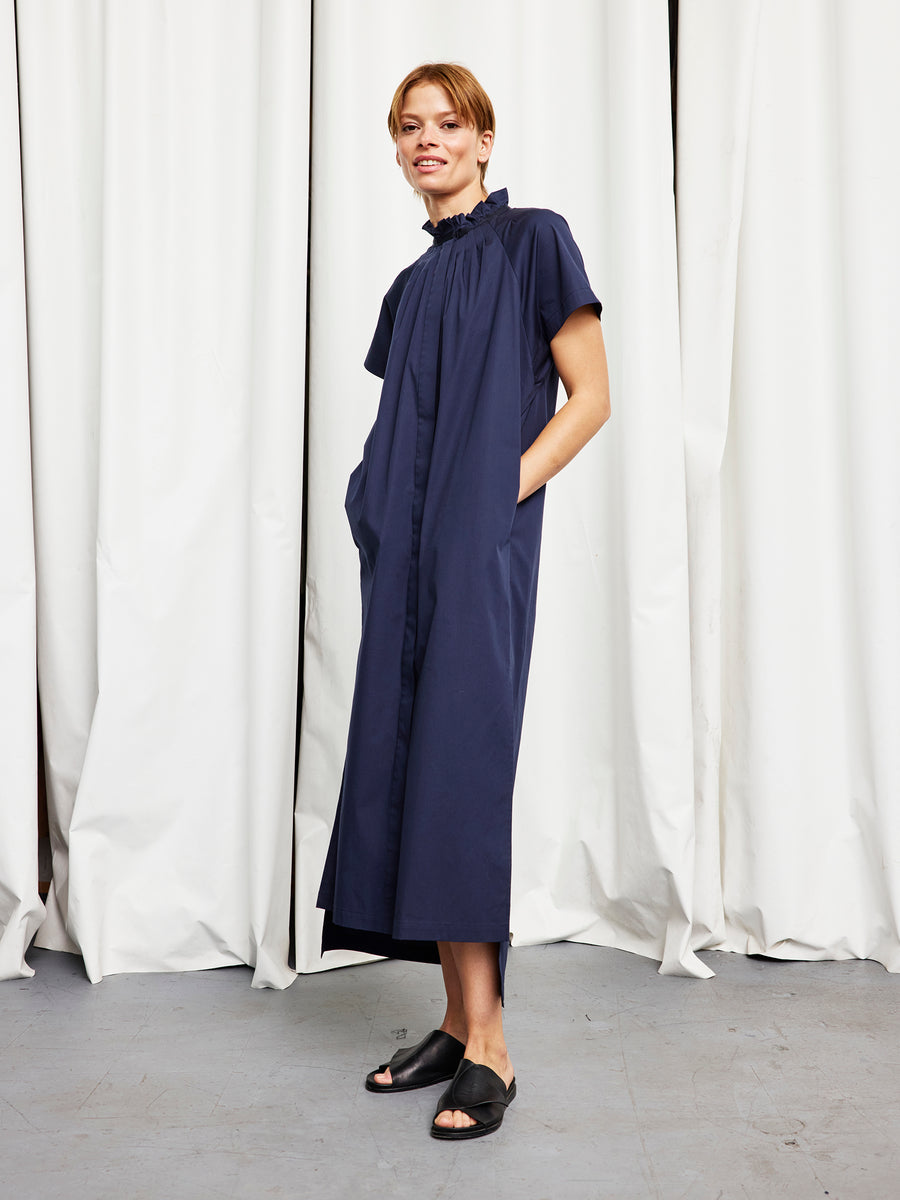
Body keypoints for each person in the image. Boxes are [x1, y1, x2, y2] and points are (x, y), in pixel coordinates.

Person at [317, 62, 610, 1140]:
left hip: (477, 552)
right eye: (410, 127)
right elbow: (403, 423)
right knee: (406, 767)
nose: (427, 140)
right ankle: (452, 1020)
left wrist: (495, 498)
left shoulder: (535, 242)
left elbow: (592, 397)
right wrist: (373, 505)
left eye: (448, 124)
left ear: (484, 140)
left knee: (461, 772)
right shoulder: (411, 287)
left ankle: (491, 1045)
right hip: (400, 559)